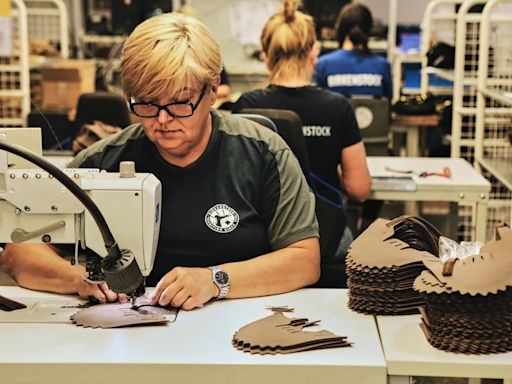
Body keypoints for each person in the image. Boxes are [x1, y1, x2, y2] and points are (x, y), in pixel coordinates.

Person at [0, 12, 320, 310]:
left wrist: (215, 280)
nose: (163, 120)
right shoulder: (102, 160)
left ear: (212, 90)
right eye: (147, 104)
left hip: (235, 327)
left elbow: (304, 259)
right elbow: (20, 252)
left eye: (180, 104)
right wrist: (78, 279)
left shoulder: (264, 155)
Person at [232, 0, 371, 204]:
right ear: (313, 53)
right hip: (324, 231)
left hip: (264, 231)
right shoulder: (338, 108)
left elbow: (238, 182)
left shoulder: (247, 106)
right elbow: (359, 189)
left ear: (266, 57)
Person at [315, 2, 392, 100]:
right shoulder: (382, 65)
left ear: (339, 28)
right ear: (369, 29)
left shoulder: (323, 64)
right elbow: (387, 105)